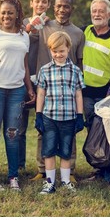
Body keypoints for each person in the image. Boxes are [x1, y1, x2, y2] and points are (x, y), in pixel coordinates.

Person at [0, 0, 35, 191]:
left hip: (16, 91)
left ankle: (13, 177)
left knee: (13, 135)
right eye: (3, 12)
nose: (6, 16)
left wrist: (29, 87)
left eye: (10, 12)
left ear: (17, 14)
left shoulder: (23, 35)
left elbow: (25, 64)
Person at [30, 0, 85, 183]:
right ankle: (42, 169)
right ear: (53, 7)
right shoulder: (44, 25)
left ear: (72, 9)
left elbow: (79, 62)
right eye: (59, 6)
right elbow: (26, 32)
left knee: (69, 130)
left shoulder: (78, 33)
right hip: (45, 82)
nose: (62, 10)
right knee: (43, 129)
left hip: (68, 85)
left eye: (66, 7)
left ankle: (70, 171)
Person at [81, 0, 110, 187]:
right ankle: (100, 170)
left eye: (101, 11)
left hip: (106, 93)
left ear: (109, 15)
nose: (97, 14)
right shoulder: (87, 31)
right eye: (94, 11)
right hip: (86, 93)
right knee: (93, 132)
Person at [35, 31, 85, 194]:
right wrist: (38, 115)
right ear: (50, 50)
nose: (58, 54)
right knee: (48, 150)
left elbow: (78, 94)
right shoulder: (45, 70)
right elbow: (41, 93)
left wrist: (79, 115)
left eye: (61, 51)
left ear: (68, 48)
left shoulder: (75, 71)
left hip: (69, 118)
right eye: (54, 51)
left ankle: (65, 181)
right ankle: (49, 183)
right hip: (50, 117)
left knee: (66, 151)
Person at [19, 0, 51, 170]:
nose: (40, 5)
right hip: (21, 79)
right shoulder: (21, 23)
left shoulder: (51, 24)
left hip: (43, 80)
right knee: (19, 127)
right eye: (37, 1)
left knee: (43, 127)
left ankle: (42, 167)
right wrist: (31, 27)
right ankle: (19, 165)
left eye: (44, 2)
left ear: (48, 5)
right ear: (31, 3)